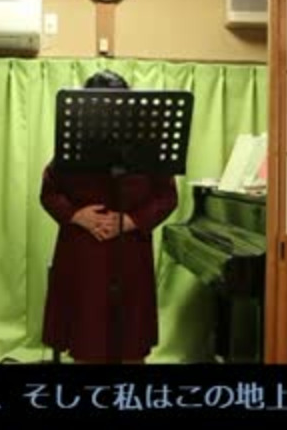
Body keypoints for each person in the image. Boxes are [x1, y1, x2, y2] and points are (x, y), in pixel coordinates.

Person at [40, 70, 178, 364]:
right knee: (86, 338)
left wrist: (131, 221)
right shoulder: (72, 145)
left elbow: (167, 197)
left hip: (131, 249)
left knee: (131, 341)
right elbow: (49, 193)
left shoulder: (147, 146)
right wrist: (76, 216)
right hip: (83, 250)